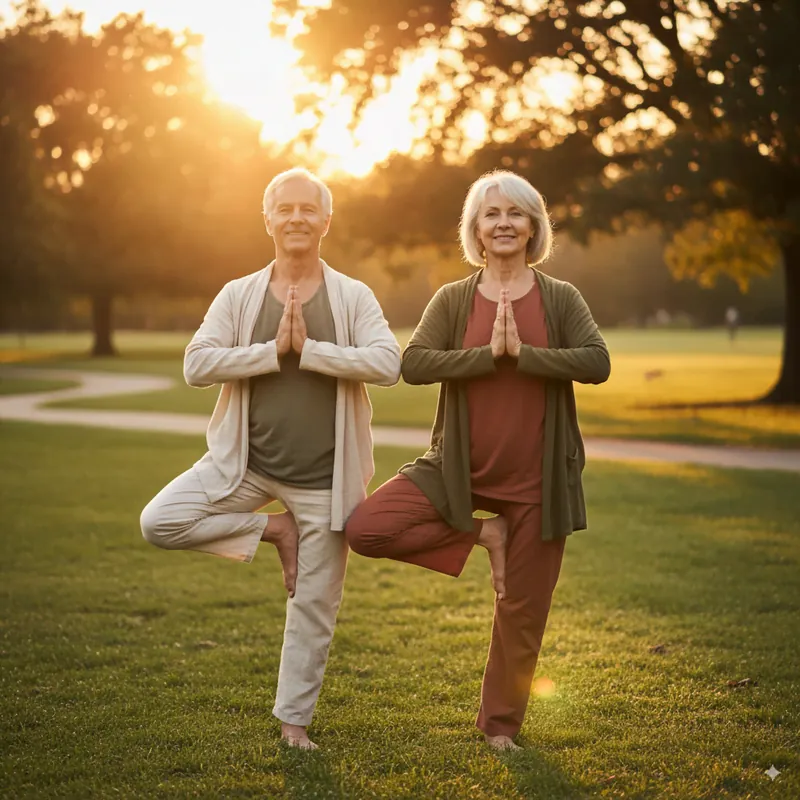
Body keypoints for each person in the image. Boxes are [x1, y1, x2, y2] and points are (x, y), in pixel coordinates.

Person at [345, 170, 610, 751]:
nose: (504, 223)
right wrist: (486, 357)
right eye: (492, 214)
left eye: (516, 213)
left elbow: (597, 362)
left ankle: (499, 726)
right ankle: (486, 535)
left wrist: (526, 354)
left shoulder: (560, 297)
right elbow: (415, 363)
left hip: (539, 478)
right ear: (476, 230)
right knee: (366, 528)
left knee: (522, 609)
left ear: (534, 227)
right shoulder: (453, 298)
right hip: (456, 468)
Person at [140, 167, 401, 750]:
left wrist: (311, 351)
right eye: (285, 209)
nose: (297, 218)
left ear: (326, 221)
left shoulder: (352, 296)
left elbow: (388, 364)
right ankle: (274, 531)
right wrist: (270, 351)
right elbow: (196, 364)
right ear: (268, 220)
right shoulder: (239, 294)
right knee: (159, 521)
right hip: (244, 466)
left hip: (325, 480)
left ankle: (293, 724)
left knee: (314, 605)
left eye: (309, 209)